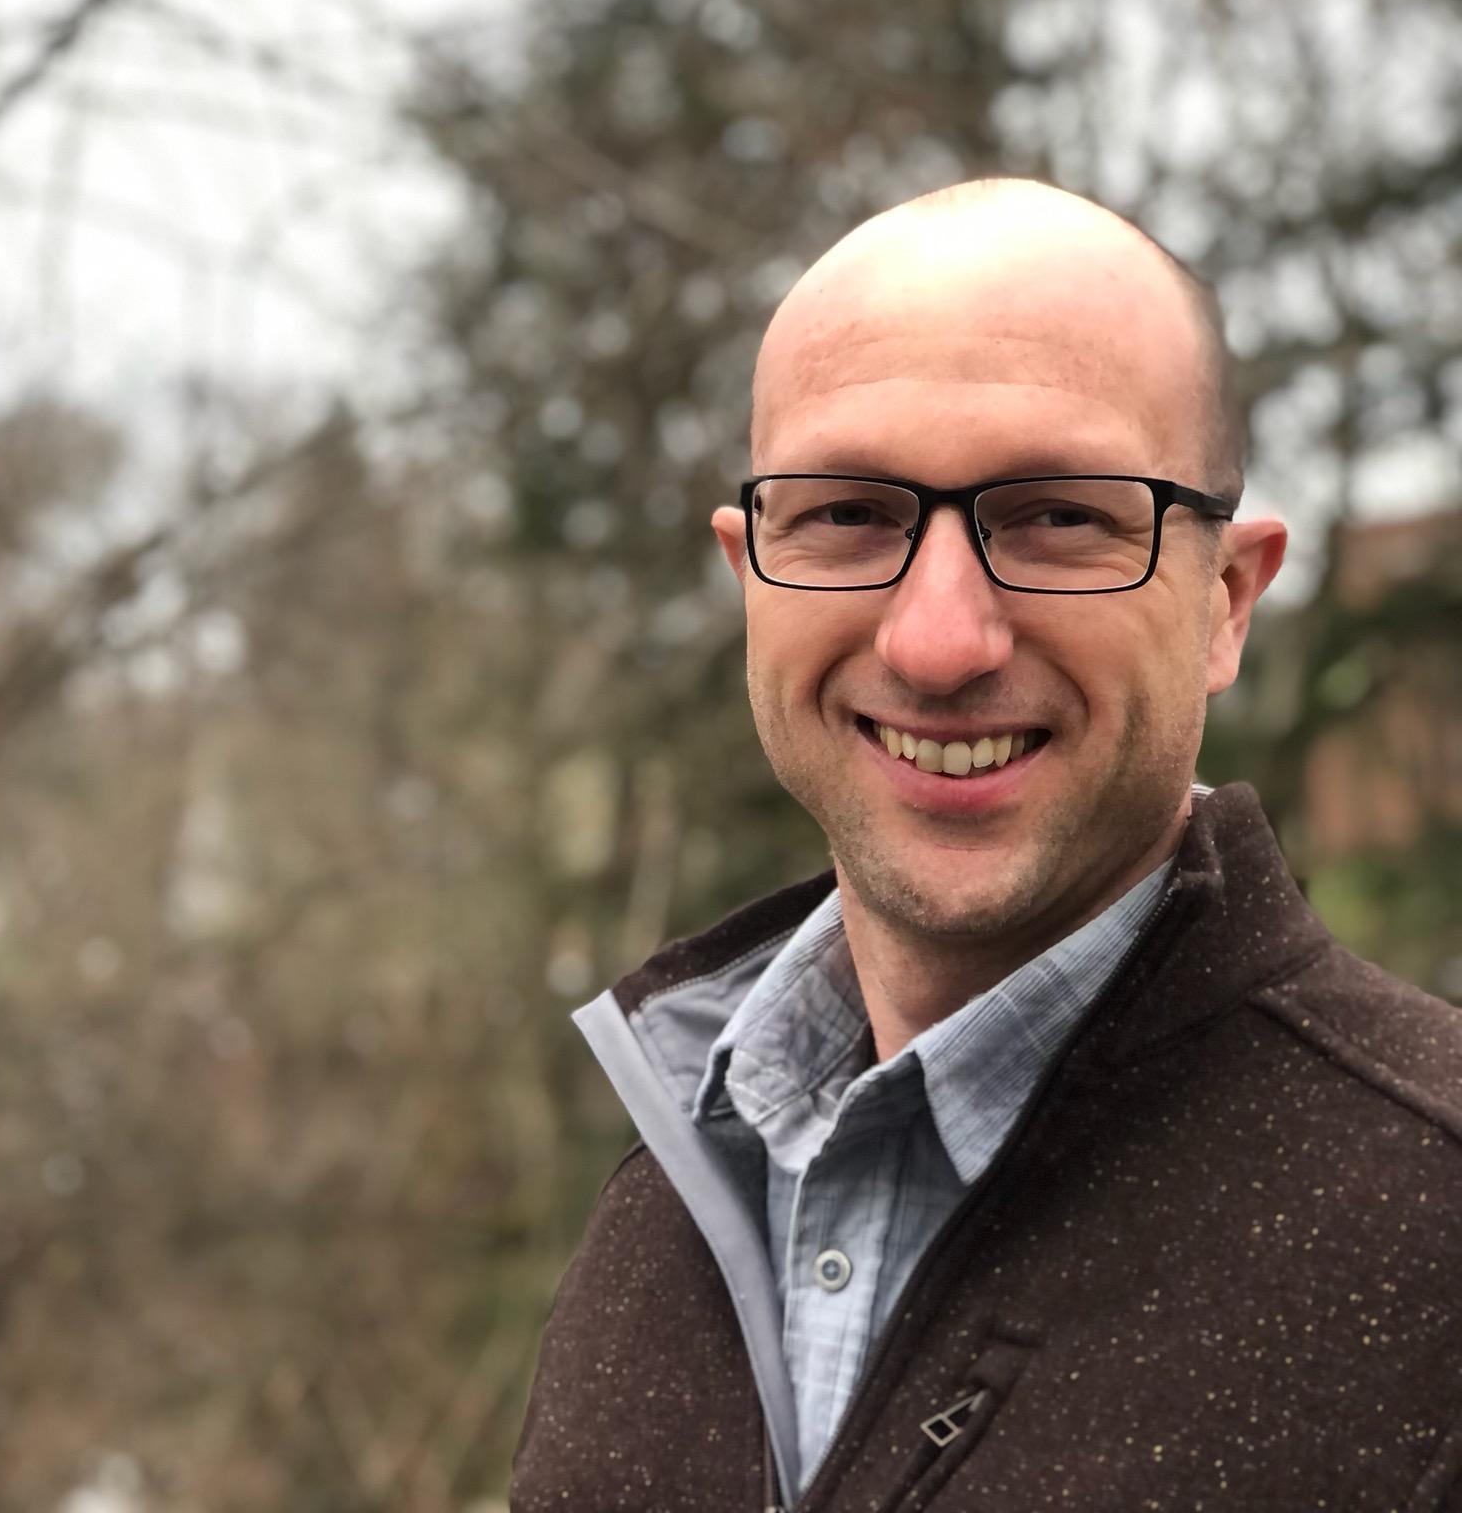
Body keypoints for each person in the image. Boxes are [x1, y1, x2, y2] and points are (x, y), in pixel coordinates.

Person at [507, 179, 1462, 1512]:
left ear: (1228, 602)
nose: (937, 640)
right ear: (750, 577)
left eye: (1060, 517)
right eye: (845, 515)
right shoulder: (665, 1201)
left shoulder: (1431, 1243)